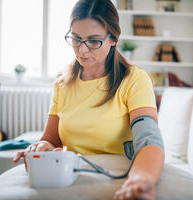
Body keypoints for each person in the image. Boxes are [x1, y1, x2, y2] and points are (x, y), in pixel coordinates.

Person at [13, 0, 164, 199]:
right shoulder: (62, 85)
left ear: (113, 39)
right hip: (69, 177)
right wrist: (42, 147)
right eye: (76, 39)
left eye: (93, 41)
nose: (82, 50)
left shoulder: (135, 80)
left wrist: (141, 178)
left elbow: (148, 138)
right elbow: (51, 139)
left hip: (116, 175)